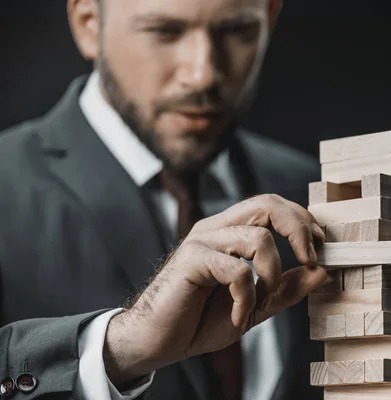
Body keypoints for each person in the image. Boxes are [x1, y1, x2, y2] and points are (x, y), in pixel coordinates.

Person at [0, 0, 329, 399]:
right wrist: (118, 347)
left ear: (270, 18)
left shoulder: (312, 188)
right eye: (164, 32)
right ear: (88, 23)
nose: (202, 74)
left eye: (236, 31)